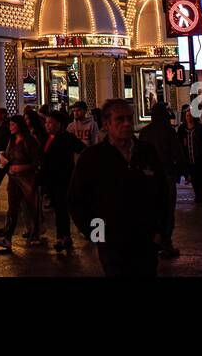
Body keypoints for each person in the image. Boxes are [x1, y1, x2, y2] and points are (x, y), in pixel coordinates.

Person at [68, 98, 167, 276]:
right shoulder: (92, 158)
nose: (127, 124)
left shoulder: (146, 152)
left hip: (145, 240)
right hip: (112, 243)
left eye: (130, 118)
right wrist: (97, 234)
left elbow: (163, 193)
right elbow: (77, 199)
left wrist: (161, 231)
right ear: (106, 124)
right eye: (120, 119)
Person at [138, 102, 183, 257]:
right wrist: (182, 172)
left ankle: (153, 239)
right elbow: (177, 153)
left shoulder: (145, 132)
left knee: (151, 208)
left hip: (149, 176)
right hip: (167, 174)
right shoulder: (169, 131)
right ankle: (166, 242)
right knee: (168, 210)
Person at [0, 114, 41, 251]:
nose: (11, 127)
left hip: (27, 180)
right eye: (10, 125)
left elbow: (36, 162)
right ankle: (7, 238)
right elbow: (9, 156)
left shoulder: (29, 140)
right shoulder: (12, 140)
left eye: (13, 125)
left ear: (20, 125)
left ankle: (35, 235)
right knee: (12, 208)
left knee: (31, 208)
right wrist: (3, 157)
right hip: (13, 179)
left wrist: (22, 167)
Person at [39, 109, 83, 254]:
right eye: (46, 122)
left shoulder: (66, 137)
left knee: (62, 209)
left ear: (59, 124)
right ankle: (65, 236)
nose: (47, 125)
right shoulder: (47, 138)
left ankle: (62, 237)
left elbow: (82, 149)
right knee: (59, 209)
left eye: (50, 122)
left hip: (63, 178)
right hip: (51, 179)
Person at [177, 107, 202, 203]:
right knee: (193, 177)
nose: (189, 117)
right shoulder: (182, 129)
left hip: (198, 157)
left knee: (199, 177)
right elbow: (179, 143)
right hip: (188, 158)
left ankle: (200, 195)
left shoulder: (200, 128)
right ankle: (197, 194)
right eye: (187, 116)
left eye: (190, 115)